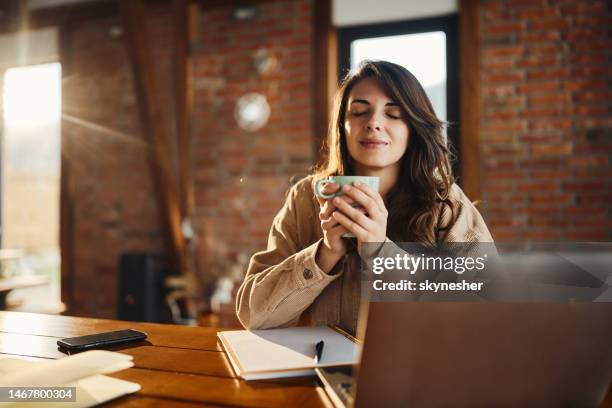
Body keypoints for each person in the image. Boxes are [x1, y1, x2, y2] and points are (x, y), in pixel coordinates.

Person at [236, 60, 493, 331]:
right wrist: (323, 255)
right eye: (359, 112)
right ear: (342, 126)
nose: (373, 123)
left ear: (413, 129)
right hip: (316, 369)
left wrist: (382, 253)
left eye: (393, 115)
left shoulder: (445, 202)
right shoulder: (305, 198)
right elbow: (253, 315)